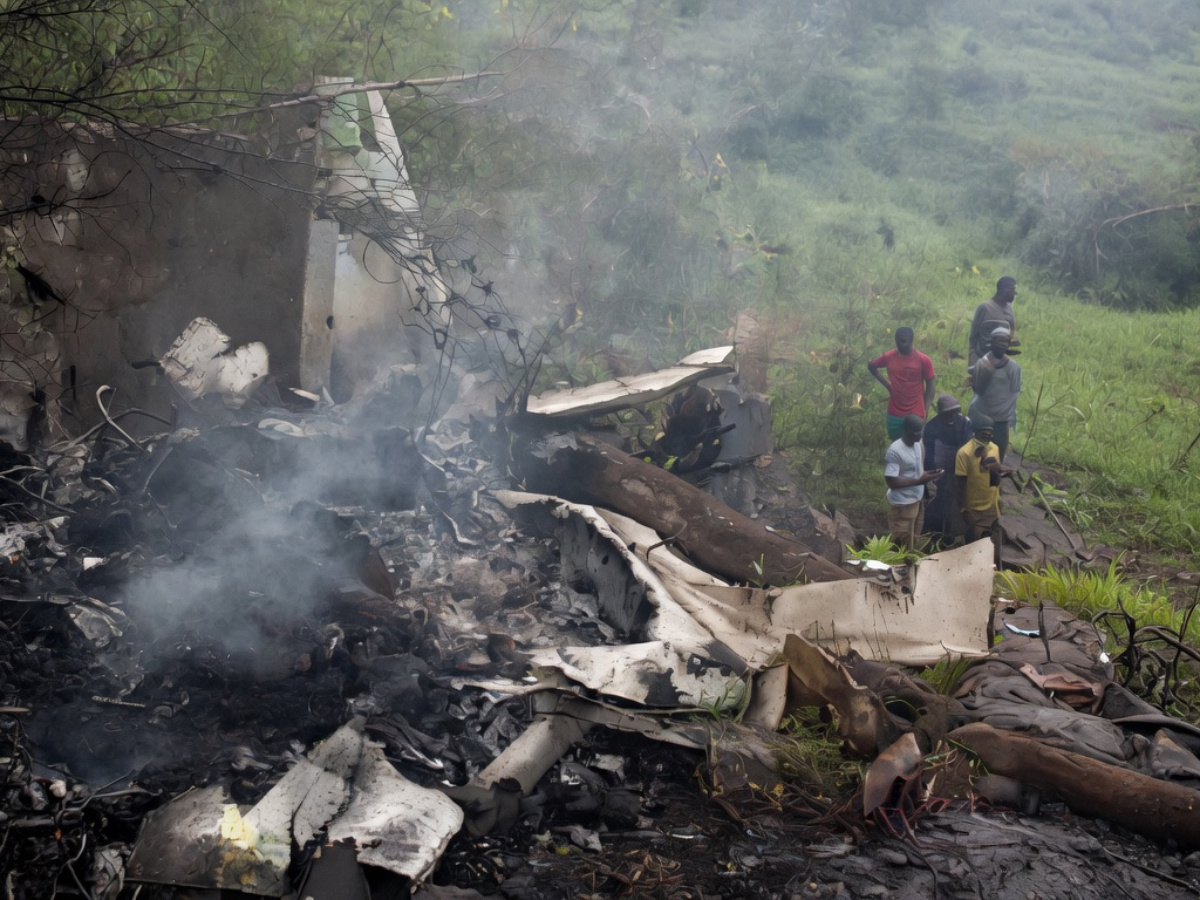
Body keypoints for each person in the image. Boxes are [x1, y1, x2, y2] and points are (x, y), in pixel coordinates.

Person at [954, 414, 1013, 550]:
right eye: (983, 434)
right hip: (972, 505)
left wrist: (1001, 472)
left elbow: (994, 472)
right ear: (975, 432)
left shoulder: (994, 448)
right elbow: (960, 482)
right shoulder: (964, 453)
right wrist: (963, 507)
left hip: (991, 502)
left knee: (990, 537)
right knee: (972, 540)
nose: (986, 438)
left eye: (989, 435)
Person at [868, 327, 936, 440]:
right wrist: (888, 387)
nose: (900, 344)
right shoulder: (889, 357)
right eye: (897, 341)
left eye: (903, 341)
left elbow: (931, 386)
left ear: (911, 340)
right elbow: (872, 366)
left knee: (915, 445)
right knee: (896, 445)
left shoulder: (923, 360)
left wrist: (926, 409)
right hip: (894, 412)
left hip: (916, 412)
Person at [884, 414, 942, 549]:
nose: (919, 434)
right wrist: (919, 481)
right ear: (906, 430)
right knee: (901, 545)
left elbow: (917, 470)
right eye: (916, 431)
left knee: (913, 541)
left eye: (921, 430)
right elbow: (891, 482)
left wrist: (929, 476)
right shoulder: (894, 451)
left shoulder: (918, 444)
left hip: (917, 501)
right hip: (902, 505)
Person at [922, 393, 972, 540]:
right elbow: (929, 455)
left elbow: (967, 446)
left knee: (957, 501)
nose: (952, 416)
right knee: (939, 500)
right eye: (948, 414)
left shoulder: (965, 423)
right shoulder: (932, 427)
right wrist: (932, 475)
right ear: (941, 414)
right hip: (940, 470)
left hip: (960, 468)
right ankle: (933, 530)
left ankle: (957, 533)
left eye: (955, 412)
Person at [968, 326, 1021, 461]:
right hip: (982, 413)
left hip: (1002, 417)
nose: (1002, 344)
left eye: (1005, 341)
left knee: (998, 452)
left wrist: (1006, 412)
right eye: (999, 341)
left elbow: (1014, 391)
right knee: (978, 451)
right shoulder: (982, 364)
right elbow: (977, 389)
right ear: (991, 343)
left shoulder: (1013, 367)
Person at [968, 276, 1017, 368]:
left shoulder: (1009, 309)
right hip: (981, 362)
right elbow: (973, 337)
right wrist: (973, 364)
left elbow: (1011, 332)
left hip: (999, 365)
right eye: (1012, 289)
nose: (1015, 292)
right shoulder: (984, 307)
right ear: (1004, 289)